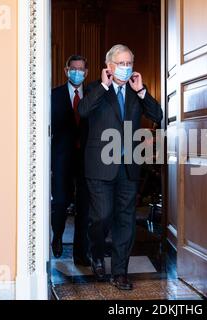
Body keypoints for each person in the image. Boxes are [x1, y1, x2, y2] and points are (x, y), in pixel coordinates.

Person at [78, 44, 163, 290]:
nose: (126, 68)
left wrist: (143, 91)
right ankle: (95, 251)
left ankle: (120, 272)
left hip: (129, 166)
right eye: (121, 63)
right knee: (102, 216)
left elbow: (157, 114)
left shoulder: (137, 92)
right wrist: (104, 86)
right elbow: (82, 111)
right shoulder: (96, 88)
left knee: (125, 220)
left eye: (129, 64)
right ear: (109, 66)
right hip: (100, 165)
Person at [51, 55, 90, 266]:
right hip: (61, 157)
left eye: (81, 69)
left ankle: (80, 253)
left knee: (84, 205)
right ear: (67, 70)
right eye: (73, 68)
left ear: (86, 72)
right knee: (60, 201)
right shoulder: (54, 95)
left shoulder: (92, 94)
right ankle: (57, 236)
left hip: (85, 158)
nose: (77, 72)